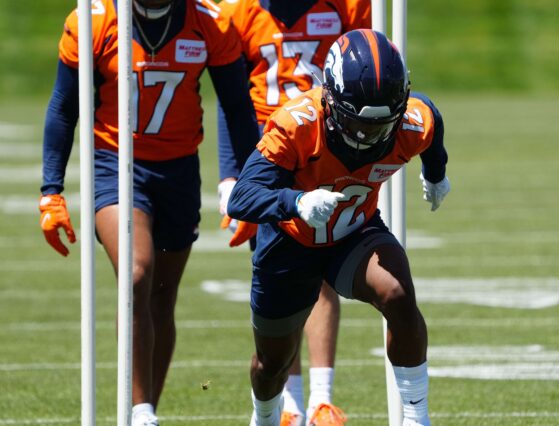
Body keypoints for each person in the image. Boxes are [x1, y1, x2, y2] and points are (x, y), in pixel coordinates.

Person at [38, 1, 260, 425]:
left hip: (179, 169)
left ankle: (145, 411)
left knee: (161, 293)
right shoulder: (94, 19)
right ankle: (140, 413)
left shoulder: (208, 21)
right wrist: (52, 191)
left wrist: (248, 185)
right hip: (115, 164)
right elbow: (64, 107)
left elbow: (236, 105)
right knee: (137, 272)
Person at [227, 29, 450, 426]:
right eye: (358, 123)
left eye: (381, 124)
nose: (369, 136)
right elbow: (241, 197)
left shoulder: (412, 122)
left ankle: (417, 419)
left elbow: (430, 117)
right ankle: (264, 416)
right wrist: (295, 201)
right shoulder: (295, 124)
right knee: (271, 364)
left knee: (398, 294)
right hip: (289, 243)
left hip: (353, 233)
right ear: (329, 99)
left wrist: (436, 172)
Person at [215, 1, 371, 424]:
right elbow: (231, 98)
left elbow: (371, 64)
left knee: (321, 272)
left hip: (329, 145)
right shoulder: (241, 12)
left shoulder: (345, 7)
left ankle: (320, 398)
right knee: (282, 280)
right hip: (270, 151)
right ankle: (290, 402)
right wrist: (230, 175)